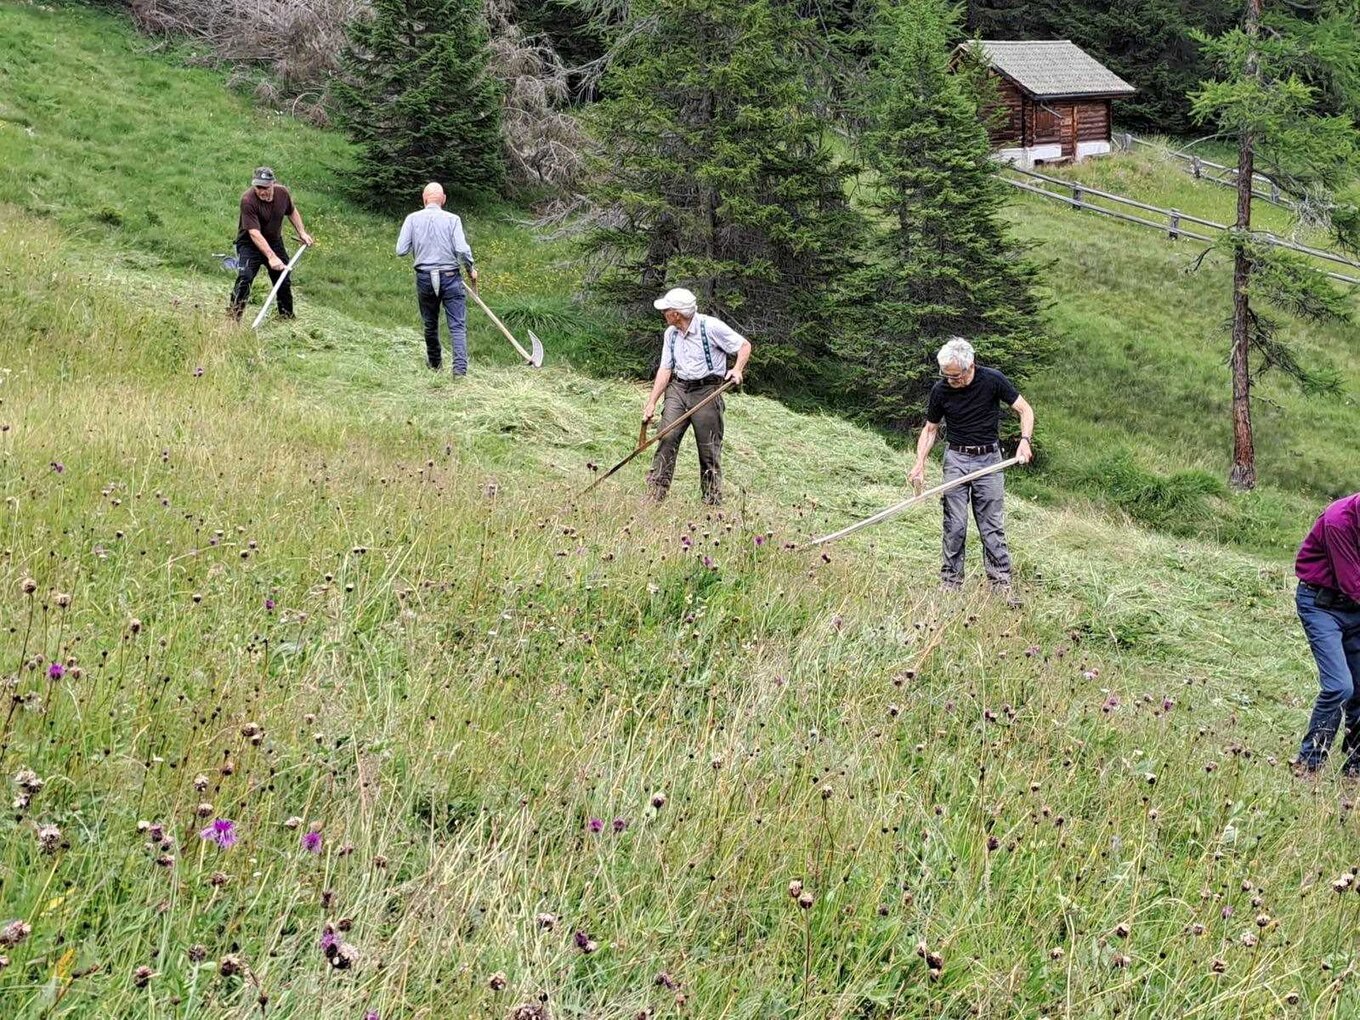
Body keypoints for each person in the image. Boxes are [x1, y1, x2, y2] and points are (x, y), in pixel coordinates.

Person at [908, 337, 1034, 601]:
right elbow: (930, 429)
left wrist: (1024, 442)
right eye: (947, 376)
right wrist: (919, 463)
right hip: (956, 459)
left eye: (955, 376)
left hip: (989, 460)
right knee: (954, 526)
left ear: (970, 366)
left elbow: (1024, 410)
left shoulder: (992, 380)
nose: (951, 381)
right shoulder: (940, 390)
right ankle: (950, 584)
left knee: (991, 525)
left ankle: (1001, 585)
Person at [641, 287, 751, 505]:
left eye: (666, 310)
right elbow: (665, 369)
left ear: (676, 314)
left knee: (708, 449)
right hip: (678, 390)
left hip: (707, 392)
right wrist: (651, 402)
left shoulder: (710, 327)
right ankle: (655, 495)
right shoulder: (670, 334)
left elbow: (744, 346)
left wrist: (737, 369)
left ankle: (711, 504)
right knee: (667, 438)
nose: (663, 313)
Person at [1292, 492, 1360, 776]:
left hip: (1354, 608)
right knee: (1340, 686)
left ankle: (1355, 767)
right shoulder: (1338, 521)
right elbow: (1352, 583)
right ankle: (1309, 764)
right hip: (1322, 605)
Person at [395, 183, 478, 376]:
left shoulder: (412, 219)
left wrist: (420, 246)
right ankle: (459, 371)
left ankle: (435, 365)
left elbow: (401, 250)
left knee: (430, 323)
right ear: (444, 199)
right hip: (450, 276)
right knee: (457, 325)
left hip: (424, 277)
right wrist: (470, 269)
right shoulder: (453, 219)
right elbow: (462, 249)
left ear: (424, 200)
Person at [228, 167, 314, 322]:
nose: (261, 191)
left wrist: (302, 232)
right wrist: (271, 257)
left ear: (273, 183)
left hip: (274, 242)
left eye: (265, 187)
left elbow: (292, 211)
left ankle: (286, 317)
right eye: (258, 187)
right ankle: (233, 318)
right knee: (245, 277)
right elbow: (254, 233)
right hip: (249, 244)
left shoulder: (282, 193)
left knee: (283, 277)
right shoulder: (248, 200)